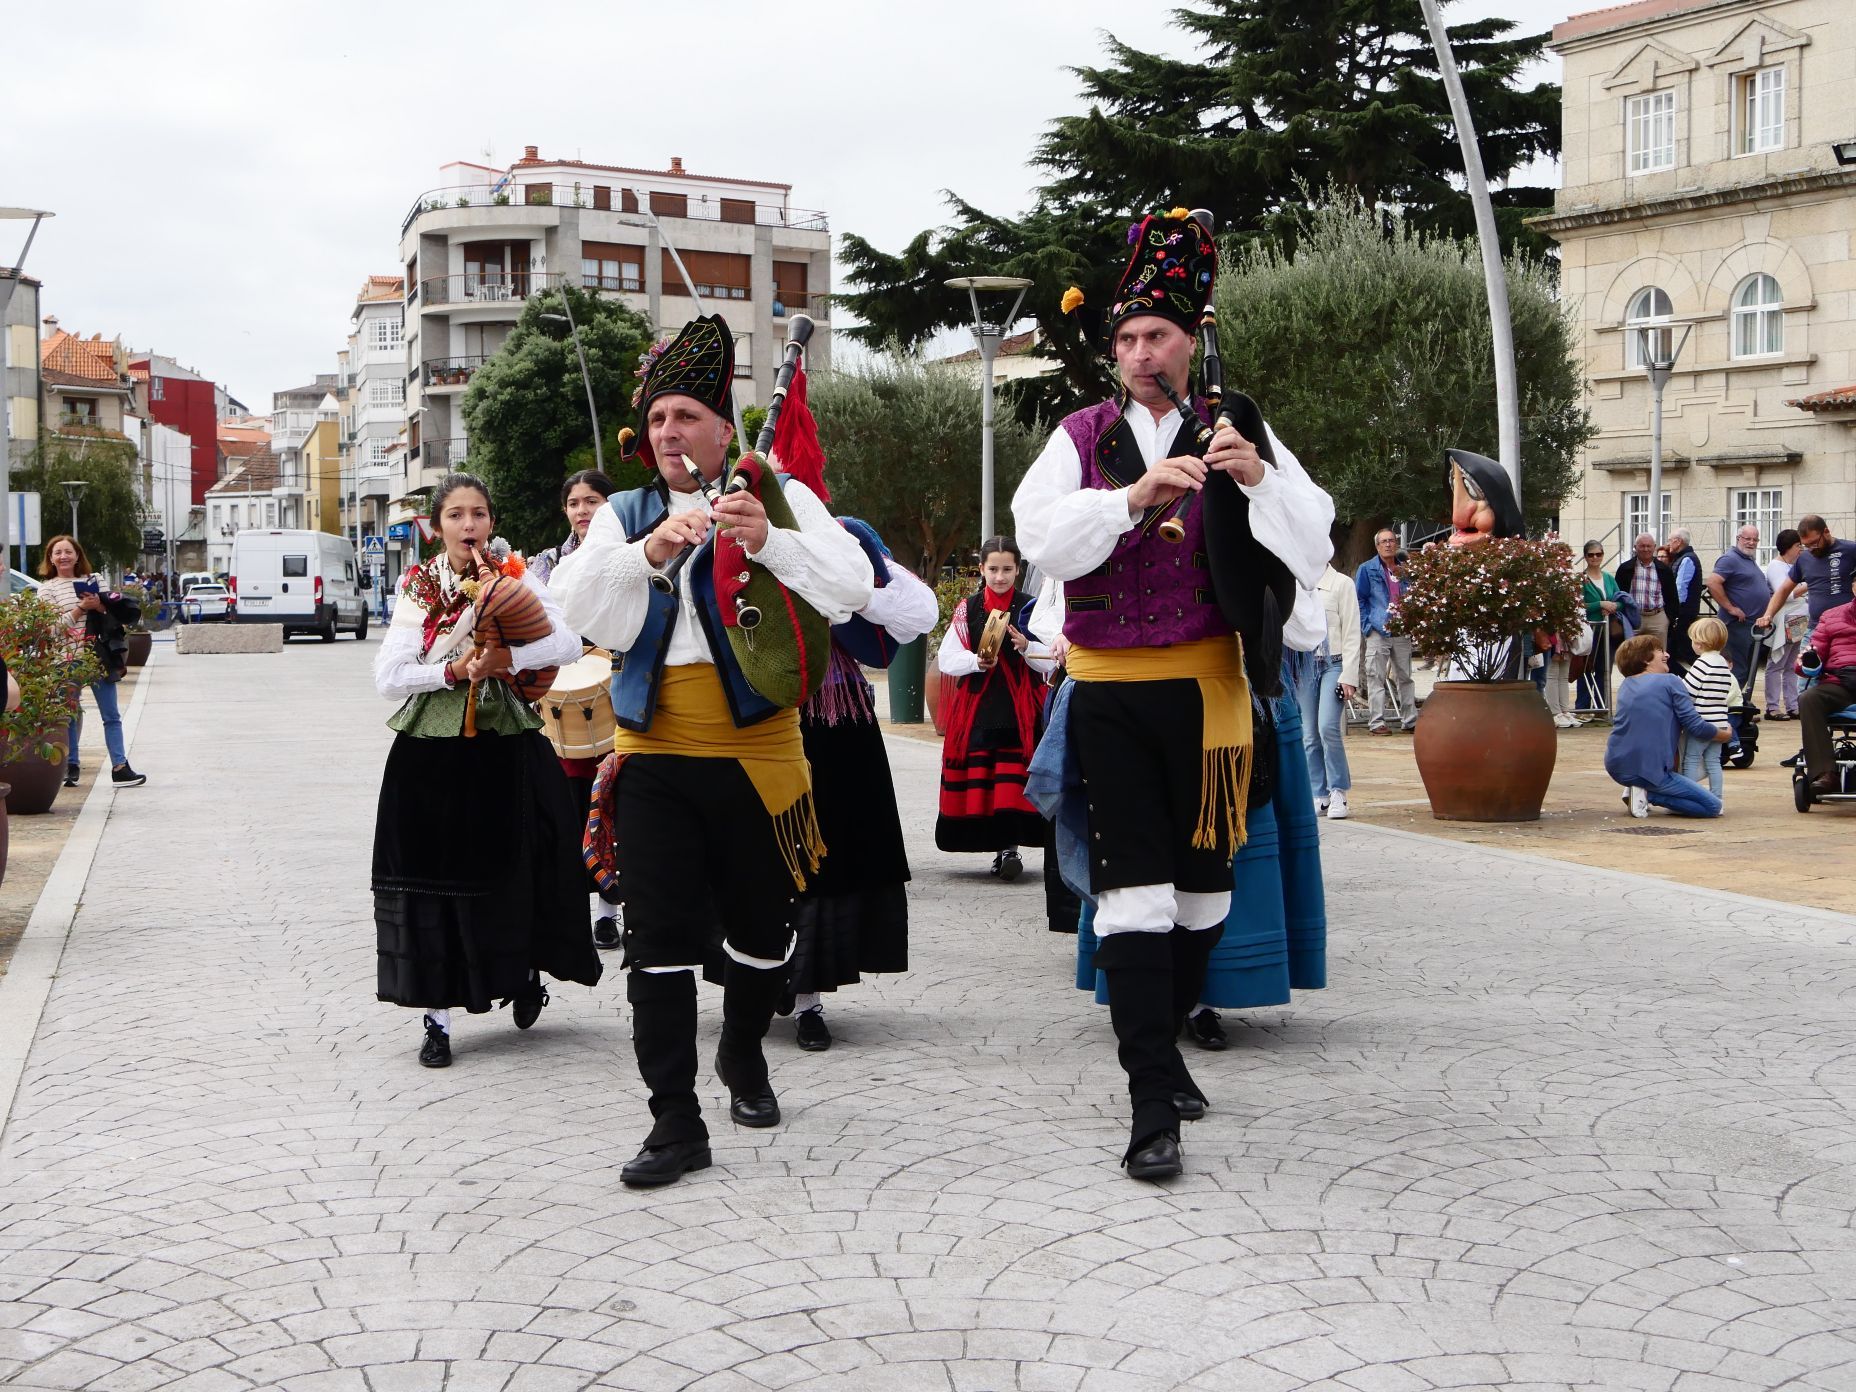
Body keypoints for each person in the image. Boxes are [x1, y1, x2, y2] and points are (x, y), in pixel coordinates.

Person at [1014, 206, 1333, 1181]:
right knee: (1136, 895)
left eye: (1156, 334)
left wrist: (1258, 483)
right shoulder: (1083, 436)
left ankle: (1167, 1046)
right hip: (1108, 692)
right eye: (1126, 337)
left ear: (1190, 342)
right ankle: (1150, 1101)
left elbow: (1313, 545)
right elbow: (1038, 540)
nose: (1140, 350)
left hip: (1209, 700)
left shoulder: (1236, 426)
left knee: (1202, 897)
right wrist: (1129, 498)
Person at [551, 314, 872, 1189]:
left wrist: (767, 538)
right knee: (655, 941)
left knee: (762, 932)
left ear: (722, 428)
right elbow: (578, 608)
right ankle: (675, 1122)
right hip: (653, 751)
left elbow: (852, 589)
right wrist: (650, 552)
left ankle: (742, 1053)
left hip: (760, 753)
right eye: (656, 420)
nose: (668, 434)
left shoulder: (774, 490)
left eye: (685, 416)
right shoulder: (621, 515)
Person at [371, 472, 601, 1069]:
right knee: (433, 872)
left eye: (477, 514)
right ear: (437, 525)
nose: (467, 526)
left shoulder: (515, 575)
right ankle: (437, 1017)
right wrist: (450, 671)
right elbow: (388, 675)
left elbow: (570, 643)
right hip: (432, 745)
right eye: (455, 516)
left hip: (507, 736)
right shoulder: (420, 585)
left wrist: (503, 658)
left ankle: (523, 972)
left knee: (522, 856)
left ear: (491, 522)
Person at [788, 514, 937, 1051]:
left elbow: (920, 612)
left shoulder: (846, 535)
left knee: (832, 855)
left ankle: (809, 999)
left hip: (838, 720)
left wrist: (851, 589)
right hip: (758, 717)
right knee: (759, 856)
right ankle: (755, 983)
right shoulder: (737, 533)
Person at [531, 469, 625, 951]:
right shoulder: (548, 562)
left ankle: (627, 905)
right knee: (577, 808)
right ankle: (600, 911)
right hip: (567, 700)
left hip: (624, 694)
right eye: (574, 503)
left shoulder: (633, 549)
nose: (582, 510)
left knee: (624, 805)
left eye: (592, 501)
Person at [935, 537, 1056, 877]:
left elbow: (1049, 662)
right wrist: (975, 661)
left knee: (1012, 779)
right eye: (993, 569)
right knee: (985, 775)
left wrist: (1025, 645)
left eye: (1007, 569)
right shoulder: (968, 608)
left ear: (1018, 570)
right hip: (978, 707)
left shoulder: (1032, 608)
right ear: (982, 569)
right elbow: (947, 657)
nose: (1000, 576)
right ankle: (996, 846)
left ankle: (1009, 849)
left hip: (1021, 709)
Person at [37, 535, 146, 789]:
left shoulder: (94, 580)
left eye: (68, 552)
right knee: (69, 714)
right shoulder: (47, 588)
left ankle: (120, 767)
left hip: (97, 657)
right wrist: (80, 608)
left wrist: (100, 606)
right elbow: (50, 629)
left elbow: (113, 618)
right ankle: (70, 766)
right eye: (57, 552)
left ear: (77, 556)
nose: (63, 556)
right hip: (65, 659)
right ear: (50, 558)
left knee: (111, 714)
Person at [1605, 634, 1729, 819]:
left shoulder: (1626, 685)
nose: (1667, 655)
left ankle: (1639, 790)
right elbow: (1694, 725)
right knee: (1713, 806)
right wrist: (1724, 735)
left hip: (1616, 764)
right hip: (1650, 769)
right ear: (1645, 659)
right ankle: (1648, 794)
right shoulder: (1670, 681)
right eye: (1660, 651)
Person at [1295, 564, 1360, 817]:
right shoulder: (1297, 583)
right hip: (1306, 664)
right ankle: (1318, 792)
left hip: (1335, 662)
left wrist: (1350, 676)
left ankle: (1338, 791)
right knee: (1308, 733)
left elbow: (1352, 632)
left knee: (1327, 727)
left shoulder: (1342, 583)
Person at [1705, 525, 1770, 734]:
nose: (1751, 542)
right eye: (1747, 539)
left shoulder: (1748, 560)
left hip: (1753, 625)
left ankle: (1737, 706)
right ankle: (1728, 709)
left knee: (1746, 669)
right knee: (1738, 668)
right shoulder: (1730, 558)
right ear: (1738, 538)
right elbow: (1713, 583)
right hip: (1737, 625)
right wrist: (1730, 607)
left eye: (1755, 539)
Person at [1354, 530, 1416, 733]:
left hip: (1401, 629)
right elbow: (1360, 599)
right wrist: (1367, 626)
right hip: (1378, 630)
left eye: (1392, 540)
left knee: (1405, 676)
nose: (1389, 544)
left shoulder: (1404, 568)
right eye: (1384, 541)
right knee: (1376, 677)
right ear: (1377, 546)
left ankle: (1410, 720)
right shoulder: (1367, 569)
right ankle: (1377, 722)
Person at [1796, 598, 1856, 798]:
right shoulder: (1832, 616)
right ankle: (1824, 773)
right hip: (1840, 683)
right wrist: (1810, 661)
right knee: (1809, 698)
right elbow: (1805, 664)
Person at [1757, 515, 1856, 634]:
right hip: (1815, 628)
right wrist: (1768, 615)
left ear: (1826, 532)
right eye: (1806, 545)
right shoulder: (1804, 558)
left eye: (1814, 543)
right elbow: (1783, 590)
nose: (1811, 549)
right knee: (1804, 653)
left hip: (1847, 628)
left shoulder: (1850, 550)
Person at [1679, 617, 1734, 801]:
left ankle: (1688, 798)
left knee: (1691, 760)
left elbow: (1688, 691)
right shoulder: (1722, 664)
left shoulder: (1702, 663)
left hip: (1702, 721)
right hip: (1719, 721)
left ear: (1700, 644)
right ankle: (1717, 799)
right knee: (1713, 762)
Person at [1763, 529, 1808, 719]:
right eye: (1798, 546)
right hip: (1784, 620)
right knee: (1776, 663)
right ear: (1788, 547)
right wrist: (1810, 583)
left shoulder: (1794, 565)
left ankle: (1792, 704)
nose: (1801, 549)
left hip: (1798, 620)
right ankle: (1772, 707)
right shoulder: (1775, 566)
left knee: (1792, 664)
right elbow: (1787, 594)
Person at [1575, 541, 1623, 714]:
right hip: (1589, 629)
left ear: (1603, 555)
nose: (1595, 558)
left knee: (1604, 669)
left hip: (1607, 630)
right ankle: (1583, 706)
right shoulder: (1580, 579)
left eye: (1598, 554)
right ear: (1585, 556)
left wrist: (1613, 606)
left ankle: (1601, 708)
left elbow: (1621, 600)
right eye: (1591, 554)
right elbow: (1578, 605)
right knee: (1585, 668)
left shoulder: (1609, 578)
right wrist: (1599, 604)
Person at [1614, 534, 1676, 649]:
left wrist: (1668, 618)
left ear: (1654, 547)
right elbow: (1618, 594)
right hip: (1634, 617)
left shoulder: (1664, 569)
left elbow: (1672, 596)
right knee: (1632, 655)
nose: (1646, 549)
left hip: (1657, 618)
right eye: (1642, 546)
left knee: (1659, 655)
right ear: (1635, 547)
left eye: (1649, 546)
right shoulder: (1625, 569)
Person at [1665, 529, 1703, 669]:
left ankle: (1702, 674)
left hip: (1683, 613)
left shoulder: (1687, 559)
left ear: (1678, 541)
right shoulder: (1682, 558)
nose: (1668, 543)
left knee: (1685, 649)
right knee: (1673, 651)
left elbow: (1680, 588)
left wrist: (1675, 612)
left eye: (1670, 540)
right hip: (1684, 612)